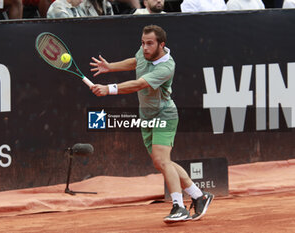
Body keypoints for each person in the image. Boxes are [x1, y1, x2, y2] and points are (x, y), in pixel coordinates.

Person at [89, 25, 214, 222]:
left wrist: (109, 89)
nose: (145, 48)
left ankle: (178, 206)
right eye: (143, 43)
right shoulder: (144, 52)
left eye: (149, 44)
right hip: (146, 116)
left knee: (162, 160)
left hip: (164, 115)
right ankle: (199, 196)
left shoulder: (166, 67)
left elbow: (139, 84)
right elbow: (135, 61)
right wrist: (111, 66)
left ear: (161, 45)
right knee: (162, 162)